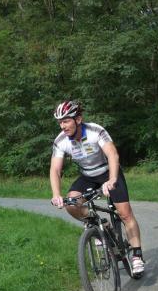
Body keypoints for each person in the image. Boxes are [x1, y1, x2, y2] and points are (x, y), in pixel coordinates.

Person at [49, 100, 145, 275]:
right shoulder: (61, 141)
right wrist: (56, 194)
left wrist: (112, 179)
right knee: (71, 204)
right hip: (88, 176)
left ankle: (137, 255)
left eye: (66, 121)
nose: (63, 126)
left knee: (125, 213)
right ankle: (101, 224)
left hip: (109, 172)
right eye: (60, 122)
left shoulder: (95, 131)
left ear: (78, 119)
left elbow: (113, 155)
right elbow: (55, 169)